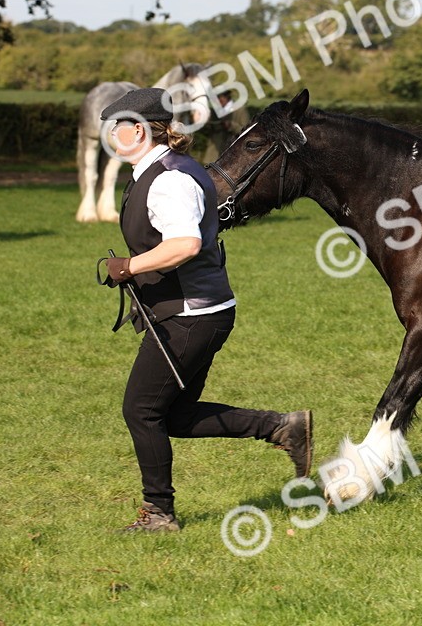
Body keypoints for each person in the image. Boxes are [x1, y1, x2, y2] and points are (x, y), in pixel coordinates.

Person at [98, 87, 312, 533]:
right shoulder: (154, 171)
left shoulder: (169, 179)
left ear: (137, 129)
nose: (112, 135)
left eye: (116, 126)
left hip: (192, 315)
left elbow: (185, 244)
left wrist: (129, 266)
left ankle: (159, 512)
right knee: (172, 415)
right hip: (195, 311)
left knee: (141, 411)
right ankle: (282, 427)